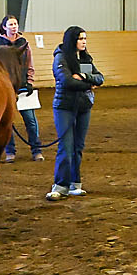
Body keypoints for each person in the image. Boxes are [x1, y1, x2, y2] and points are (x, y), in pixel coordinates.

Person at [46, 26, 102, 201]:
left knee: (78, 147)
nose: (84, 41)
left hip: (83, 107)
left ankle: (74, 184)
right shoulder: (61, 58)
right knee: (66, 146)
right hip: (65, 107)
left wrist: (85, 78)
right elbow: (67, 81)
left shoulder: (85, 58)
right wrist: (89, 84)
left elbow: (100, 77)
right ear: (72, 40)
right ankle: (60, 185)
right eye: (80, 38)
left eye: (85, 38)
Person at [0, 15, 42, 163]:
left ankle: (36, 150)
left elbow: (29, 64)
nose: (14, 26)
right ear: (4, 27)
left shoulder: (24, 44)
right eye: (11, 24)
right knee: (7, 123)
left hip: (22, 88)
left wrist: (29, 81)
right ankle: (10, 152)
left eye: (15, 24)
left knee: (30, 120)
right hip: (6, 89)